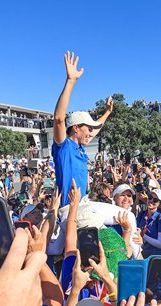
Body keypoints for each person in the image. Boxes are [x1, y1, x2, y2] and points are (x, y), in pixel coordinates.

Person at [52, 51, 113, 207]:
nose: (91, 134)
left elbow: (96, 130)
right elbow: (59, 119)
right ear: (76, 128)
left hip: (82, 205)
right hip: (67, 210)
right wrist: (71, 81)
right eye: (88, 128)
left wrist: (107, 113)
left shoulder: (80, 147)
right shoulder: (64, 146)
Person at [137, 189, 161, 257]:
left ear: (159, 204)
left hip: (156, 256)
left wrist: (143, 235)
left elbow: (160, 244)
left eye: (155, 200)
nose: (151, 201)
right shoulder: (142, 213)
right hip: (141, 251)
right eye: (150, 197)